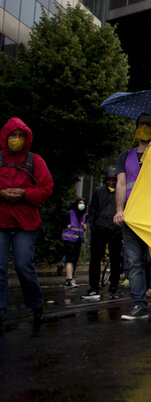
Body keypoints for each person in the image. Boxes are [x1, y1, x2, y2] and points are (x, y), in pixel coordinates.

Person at [114, 114, 151, 320]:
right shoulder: (125, 156)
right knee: (134, 262)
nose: (145, 127)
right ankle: (139, 304)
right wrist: (119, 210)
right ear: (136, 128)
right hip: (131, 217)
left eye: (149, 124)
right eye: (142, 124)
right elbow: (121, 184)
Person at [0, 117, 53, 328]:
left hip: (26, 224)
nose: (17, 139)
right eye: (13, 135)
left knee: (23, 265)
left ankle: (36, 307)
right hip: (2, 221)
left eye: (21, 135)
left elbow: (46, 189)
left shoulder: (34, 161)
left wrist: (24, 193)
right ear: (6, 136)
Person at [86, 168, 123, 299]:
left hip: (114, 230)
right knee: (95, 259)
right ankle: (93, 287)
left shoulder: (121, 192)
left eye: (114, 180)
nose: (111, 183)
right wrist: (93, 225)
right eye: (109, 180)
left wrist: (119, 227)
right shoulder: (98, 192)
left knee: (115, 260)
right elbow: (92, 209)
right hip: (99, 229)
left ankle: (113, 287)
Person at [61, 198, 87, 289]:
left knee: (74, 260)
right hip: (69, 239)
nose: (82, 205)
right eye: (80, 203)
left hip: (78, 240)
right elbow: (63, 223)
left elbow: (81, 227)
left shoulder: (83, 215)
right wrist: (66, 225)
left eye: (83, 203)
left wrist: (84, 227)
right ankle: (68, 279)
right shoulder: (70, 213)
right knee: (70, 259)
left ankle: (71, 278)